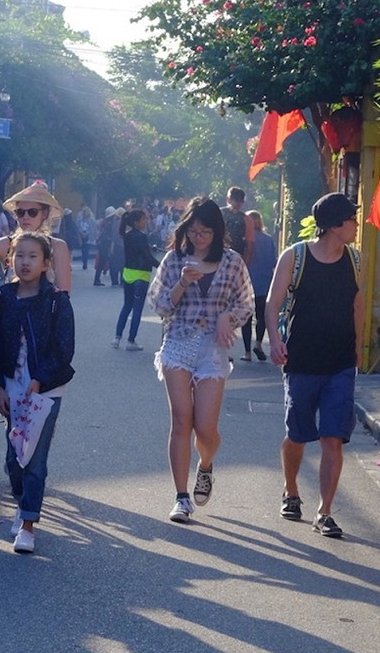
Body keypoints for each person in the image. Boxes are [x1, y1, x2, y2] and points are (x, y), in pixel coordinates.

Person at [148, 197, 253, 524]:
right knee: (182, 421)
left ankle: (205, 466)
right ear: (186, 230)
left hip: (213, 349)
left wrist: (229, 318)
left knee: (205, 429)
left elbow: (246, 303)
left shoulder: (233, 262)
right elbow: (160, 306)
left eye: (206, 231)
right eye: (194, 231)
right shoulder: (173, 260)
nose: (199, 237)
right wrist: (182, 283)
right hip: (178, 342)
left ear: (217, 231)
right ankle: (181, 498)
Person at [264, 192, 363, 539]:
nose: (355, 225)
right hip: (301, 360)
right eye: (351, 219)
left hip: (340, 362)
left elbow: (357, 305)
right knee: (297, 435)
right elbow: (273, 303)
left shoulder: (354, 259)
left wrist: (358, 347)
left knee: (333, 437)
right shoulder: (296, 256)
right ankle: (291, 491)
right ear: (336, 225)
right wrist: (276, 341)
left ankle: (325, 511)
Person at [0, 231, 75, 554]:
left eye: (32, 256)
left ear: (46, 263)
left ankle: (27, 525)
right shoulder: (4, 299)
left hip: (46, 391)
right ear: (11, 260)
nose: (25, 262)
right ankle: (22, 499)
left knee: (35, 459)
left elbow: (64, 349)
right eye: (19, 256)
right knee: (14, 458)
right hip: (13, 386)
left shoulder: (56, 301)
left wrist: (40, 379)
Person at [112, 209, 159, 351]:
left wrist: (150, 249)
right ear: (136, 222)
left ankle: (117, 338)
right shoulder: (141, 237)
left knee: (126, 306)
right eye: (144, 219)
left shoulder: (127, 235)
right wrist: (161, 265)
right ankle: (131, 341)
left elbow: (140, 250)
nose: (146, 221)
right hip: (141, 275)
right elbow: (146, 256)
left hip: (128, 274)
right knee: (137, 309)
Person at [241, 210, 277, 362]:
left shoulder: (244, 240)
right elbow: (273, 262)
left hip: (246, 282)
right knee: (261, 316)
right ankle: (258, 344)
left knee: (246, 318)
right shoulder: (268, 240)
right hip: (264, 282)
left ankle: (247, 353)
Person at [221, 186, 255, 268]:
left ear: (228, 199)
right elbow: (249, 248)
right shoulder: (246, 219)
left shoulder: (218, 214)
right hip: (235, 259)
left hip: (218, 256)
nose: (239, 204)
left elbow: (250, 248)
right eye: (238, 201)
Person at [93, 206, 115, 286]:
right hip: (105, 245)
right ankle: (113, 280)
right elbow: (111, 236)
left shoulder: (105, 222)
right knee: (109, 263)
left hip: (102, 245)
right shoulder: (109, 224)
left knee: (101, 263)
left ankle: (97, 279)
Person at [76, 206, 96, 270]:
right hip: (81, 237)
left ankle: (85, 263)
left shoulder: (91, 220)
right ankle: (84, 261)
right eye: (84, 212)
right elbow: (77, 227)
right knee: (83, 250)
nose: (85, 213)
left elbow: (93, 229)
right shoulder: (80, 220)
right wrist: (80, 234)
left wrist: (92, 237)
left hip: (88, 237)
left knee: (86, 250)